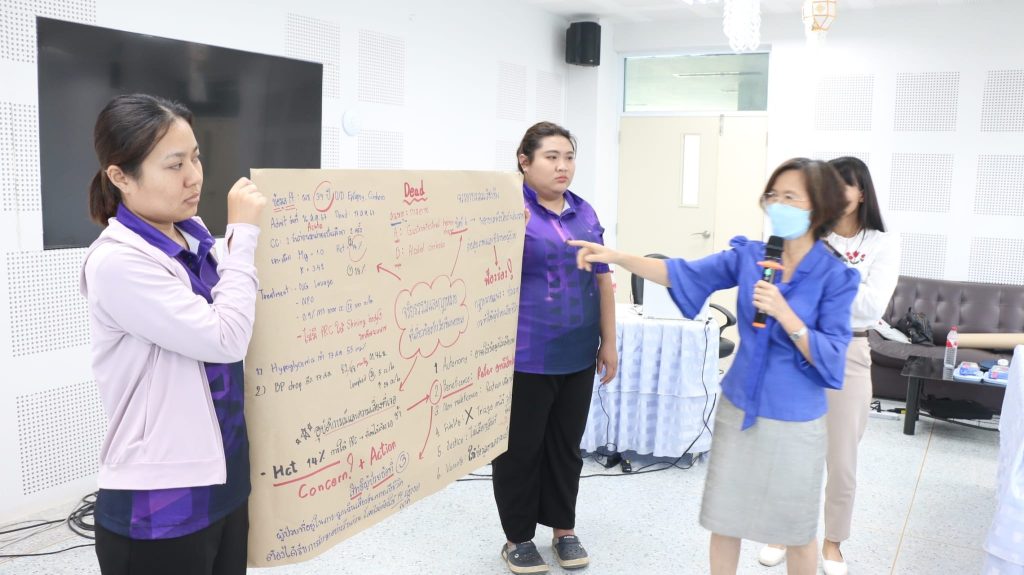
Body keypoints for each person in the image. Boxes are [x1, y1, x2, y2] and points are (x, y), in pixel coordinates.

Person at [569, 158, 859, 575]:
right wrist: (617, 256)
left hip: (795, 418)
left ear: (819, 206)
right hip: (738, 408)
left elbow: (831, 357)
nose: (779, 204)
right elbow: (680, 272)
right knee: (725, 520)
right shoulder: (753, 256)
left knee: (795, 530)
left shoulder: (835, 276)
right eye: (773, 195)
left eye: (790, 197)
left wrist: (786, 315)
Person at [81, 94, 266, 575]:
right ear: (120, 176)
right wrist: (243, 238)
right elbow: (225, 338)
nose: (194, 177)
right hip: (160, 503)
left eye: (196, 158)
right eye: (174, 164)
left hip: (225, 477)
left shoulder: (194, 234)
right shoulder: (118, 262)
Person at [758, 157, 900, 575]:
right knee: (790, 449)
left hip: (849, 351)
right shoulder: (808, 233)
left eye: (843, 185)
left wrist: (823, 282)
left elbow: (871, 308)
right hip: (797, 345)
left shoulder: (882, 243)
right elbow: (783, 288)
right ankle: (782, 531)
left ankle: (833, 542)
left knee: (841, 459)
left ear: (862, 193)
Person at [491, 121, 617, 574]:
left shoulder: (584, 212)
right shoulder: (508, 211)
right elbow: (480, 272)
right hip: (525, 353)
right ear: (524, 161)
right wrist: (505, 234)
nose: (563, 166)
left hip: (578, 352)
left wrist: (609, 343)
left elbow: (603, 279)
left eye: (569, 157)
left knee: (567, 447)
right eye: (551, 157)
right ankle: (518, 538)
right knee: (520, 450)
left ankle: (564, 529)